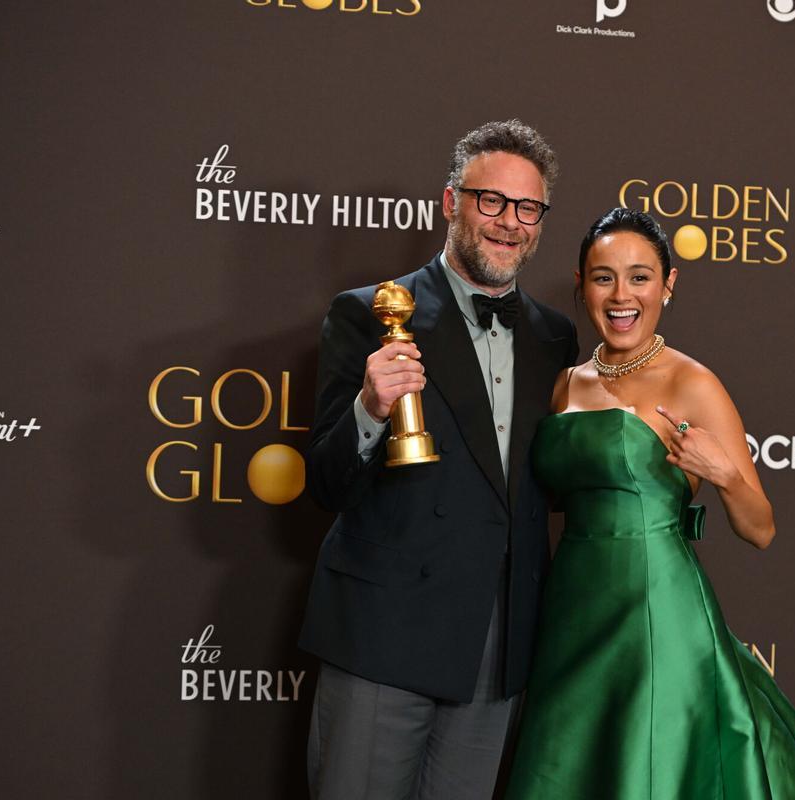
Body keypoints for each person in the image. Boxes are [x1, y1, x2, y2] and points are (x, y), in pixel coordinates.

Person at [505, 207, 795, 799]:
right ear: (582, 285)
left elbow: (761, 529)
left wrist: (724, 475)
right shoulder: (566, 383)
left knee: (646, 772)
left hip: (655, 608)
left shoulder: (693, 383)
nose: (622, 295)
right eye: (604, 277)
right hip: (570, 609)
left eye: (640, 277)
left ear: (668, 284)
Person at [299, 120, 578, 800]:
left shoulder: (555, 339)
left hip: (498, 644)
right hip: (385, 633)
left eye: (528, 208)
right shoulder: (368, 314)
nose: (509, 222)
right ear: (451, 201)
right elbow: (326, 483)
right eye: (492, 200)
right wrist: (370, 407)